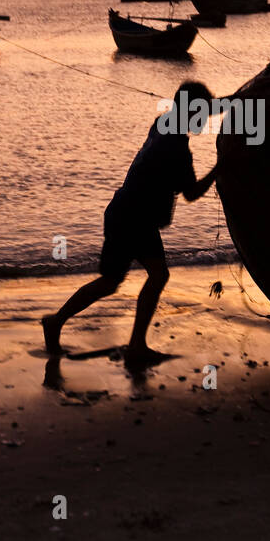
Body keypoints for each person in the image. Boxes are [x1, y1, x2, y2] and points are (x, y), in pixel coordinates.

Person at [42, 81, 218, 367]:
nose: (206, 121)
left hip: (121, 211)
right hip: (137, 218)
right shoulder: (177, 147)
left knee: (111, 281)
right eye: (204, 115)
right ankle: (136, 345)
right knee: (158, 276)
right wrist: (220, 166)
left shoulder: (162, 123)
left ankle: (55, 321)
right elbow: (191, 193)